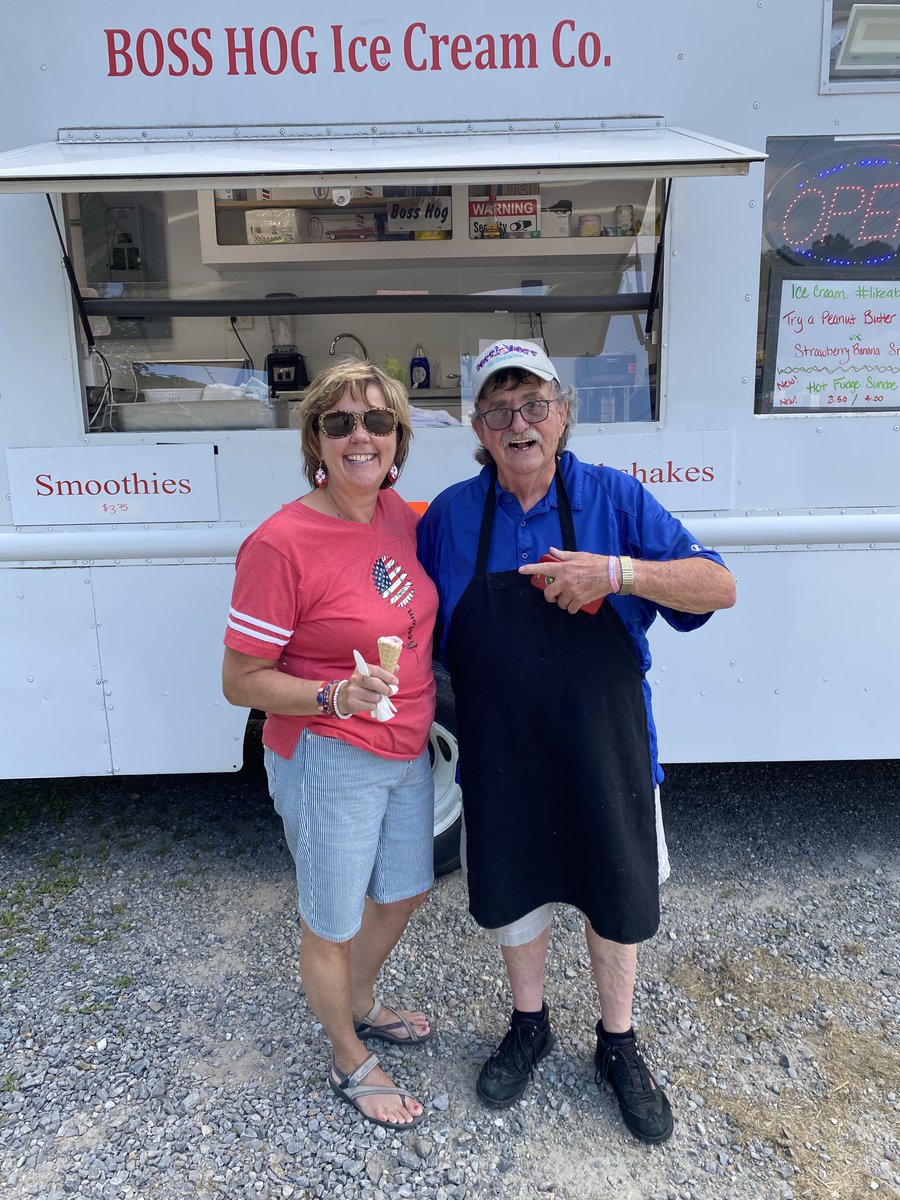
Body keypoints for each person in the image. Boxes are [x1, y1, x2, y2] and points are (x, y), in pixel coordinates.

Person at [417, 339, 735, 1144]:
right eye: (499, 410)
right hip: (500, 745)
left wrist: (620, 574)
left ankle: (617, 1043)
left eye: (534, 405)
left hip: (606, 742)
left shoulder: (614, 499)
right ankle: (530, 1024)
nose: (519, 423)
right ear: (479, 428)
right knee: (516, 889)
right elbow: (410, 626)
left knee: (615, 893)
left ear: (564, 413)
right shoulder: (452, 514)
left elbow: (718, 585)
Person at [222, 360, 439, 1132]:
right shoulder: (280, 544)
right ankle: (348, 1053)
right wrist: (330, 694)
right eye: (340, 422)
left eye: (377, 422)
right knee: (332, 920)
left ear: (397, 440)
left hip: (406, 744)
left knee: (407, 887)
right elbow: (240, 680)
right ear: (315, 438)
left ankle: (357, 999)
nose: (360, 435)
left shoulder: (397, 516)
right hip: (326, 751)